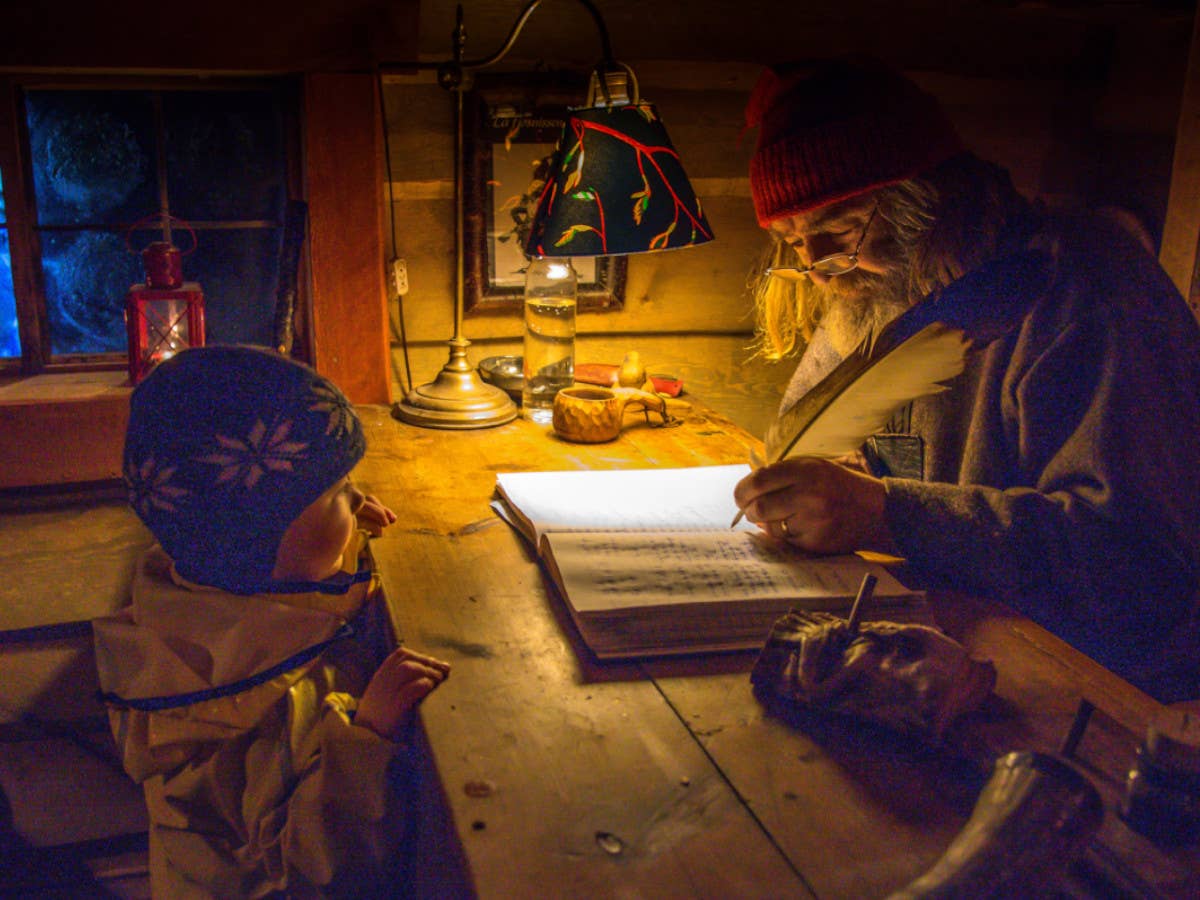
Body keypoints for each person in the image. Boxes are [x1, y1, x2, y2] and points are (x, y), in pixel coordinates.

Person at [732, 58, 1200, 700]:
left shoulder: (1089, 295)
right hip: (952, 648)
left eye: (837, 231)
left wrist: (885, 510)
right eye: (792, 243)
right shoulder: (873, 286)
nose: (817, 270)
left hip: (1109, 694)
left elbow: (1136, 563)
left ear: (927, 203)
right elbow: (832, 450)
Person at [93, 345, 451, 896]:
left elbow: (288, 552)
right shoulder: (240, 700)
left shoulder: (211, 586)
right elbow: (302, 868)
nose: (355, 498)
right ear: (255, 538)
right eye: (336, 493)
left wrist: (343, 513)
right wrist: (366, 739)